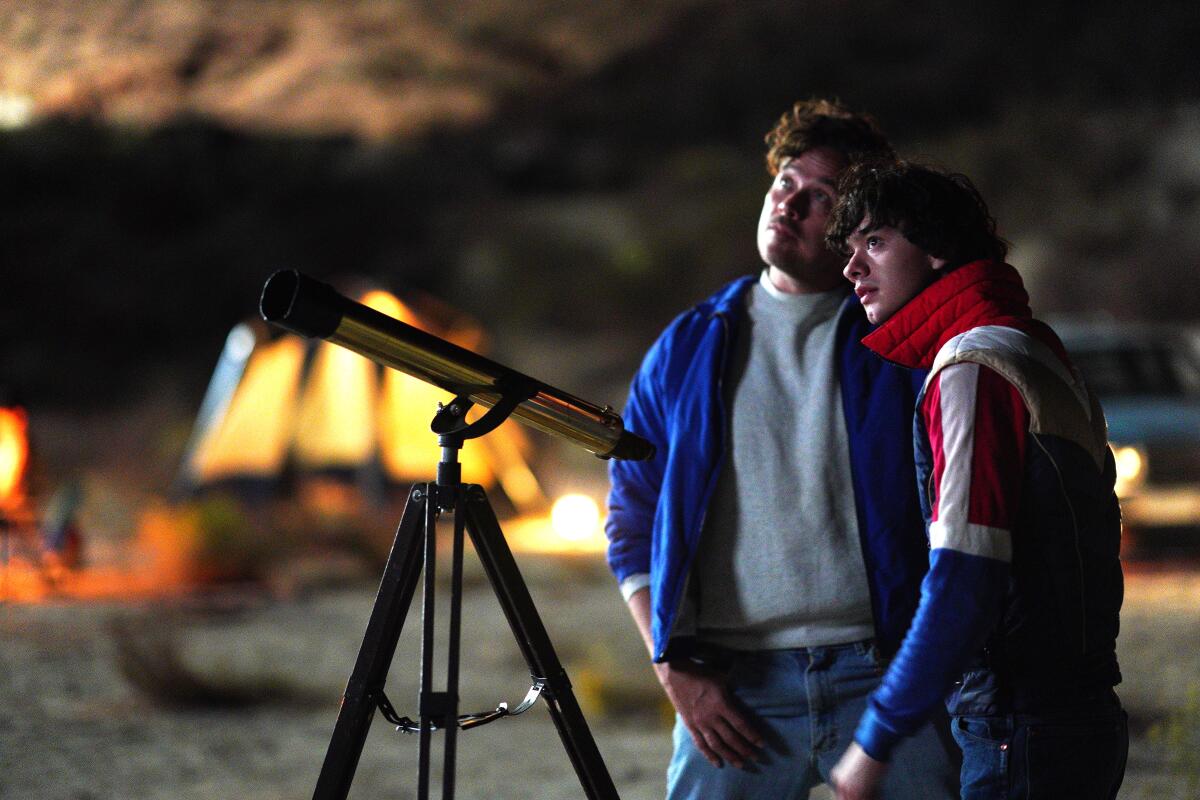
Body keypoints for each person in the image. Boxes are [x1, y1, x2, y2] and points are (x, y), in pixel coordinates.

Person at [605, 100, 959, 799]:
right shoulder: (690, 345)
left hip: (886, 671)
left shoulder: (899, 343)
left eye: (820, 198)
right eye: (784, 185)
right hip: (737, 686)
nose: (790, 206)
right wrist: (671, 666)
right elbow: (630, 519)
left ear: (858, 223)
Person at [825, 161, 1127, 800]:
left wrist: (877, 735)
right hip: (1074, 709)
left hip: (1021, 722)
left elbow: (967, 572)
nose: (852, 269)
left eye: (875, 242)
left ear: (937, 248)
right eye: (850, 250)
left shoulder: (973, 366)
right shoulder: (1031, 346)